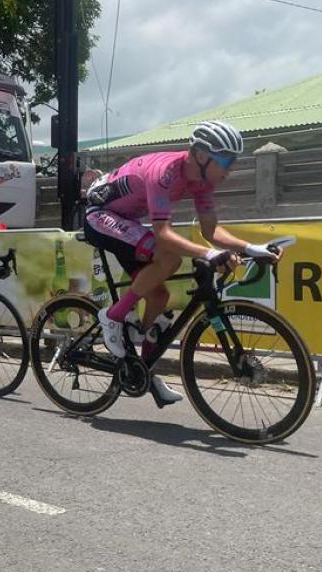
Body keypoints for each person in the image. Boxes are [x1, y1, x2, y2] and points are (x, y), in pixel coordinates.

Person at [83, 120, 279, 408]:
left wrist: (252, 248)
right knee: (170, 258)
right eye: (226, 160)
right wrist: (210, 254)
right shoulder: (165, 173)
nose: (230, 168)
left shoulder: (202, 182)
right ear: (201, 155)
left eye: (233, 161)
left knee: (160, 297)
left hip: (127, 221)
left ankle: (143, 370)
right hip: (100, 215)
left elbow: (211, 231)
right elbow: (163, 234)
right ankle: (113, 316)